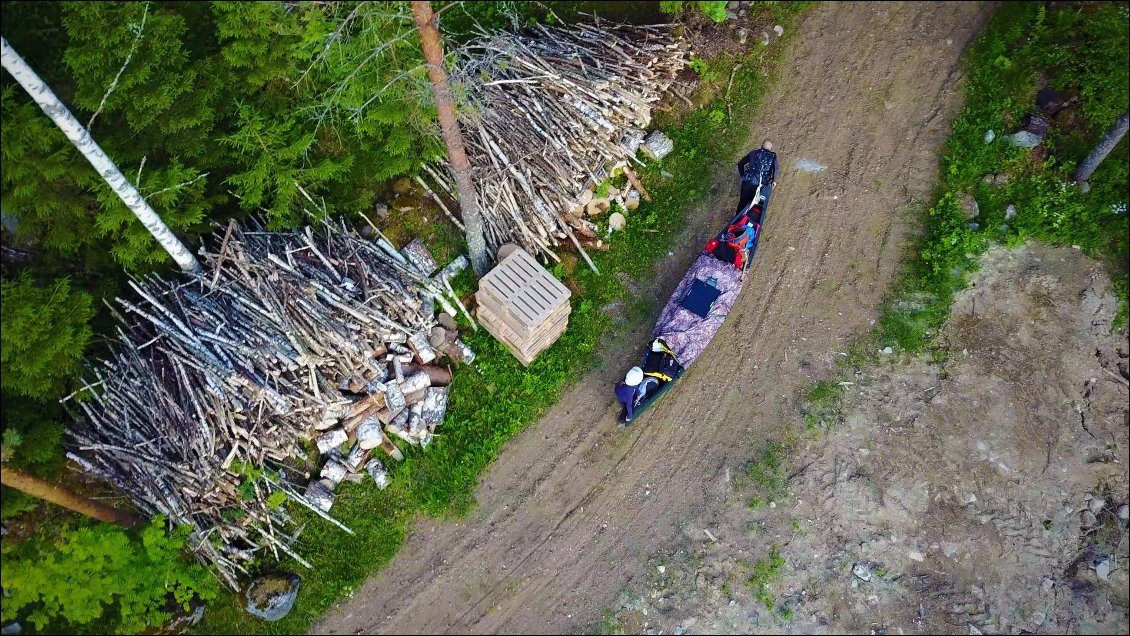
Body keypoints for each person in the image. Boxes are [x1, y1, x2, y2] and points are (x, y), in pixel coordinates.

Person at [737, 140, 778, 213]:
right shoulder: (773, 158)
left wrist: (743, 175)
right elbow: (776, 169)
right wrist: (774, 181)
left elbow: (740, 164)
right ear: (771, 148)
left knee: (742, 202)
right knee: (754, 205)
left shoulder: (753, 153)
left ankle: (736, 220)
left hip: (747, 182)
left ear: (761, 145)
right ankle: (747, 220)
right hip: (760, 186)